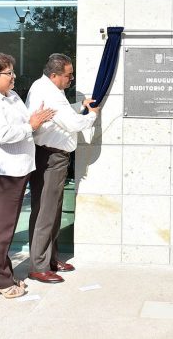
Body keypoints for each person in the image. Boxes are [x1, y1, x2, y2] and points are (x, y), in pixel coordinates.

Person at [0, 53, 53, 299]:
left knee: (5, 228)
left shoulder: (12, 96)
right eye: (8, 73)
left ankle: (1, 275)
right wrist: (32, 125)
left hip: (16, 170)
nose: (14, 76)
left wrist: (33, 121)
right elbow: (3, 134)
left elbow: (24, 121)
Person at [25, 53, 98, 283]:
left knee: (53, 212)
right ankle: (39, 266)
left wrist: (79, 106)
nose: (71, 78)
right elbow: (72, 123)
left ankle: (50, 259)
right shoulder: (48, 91)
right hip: (50, 157)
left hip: (53, 157)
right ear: (54, 75)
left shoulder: (50, 89)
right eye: (68, 75)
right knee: (45, 213)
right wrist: (92, 115)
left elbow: (62, 113)